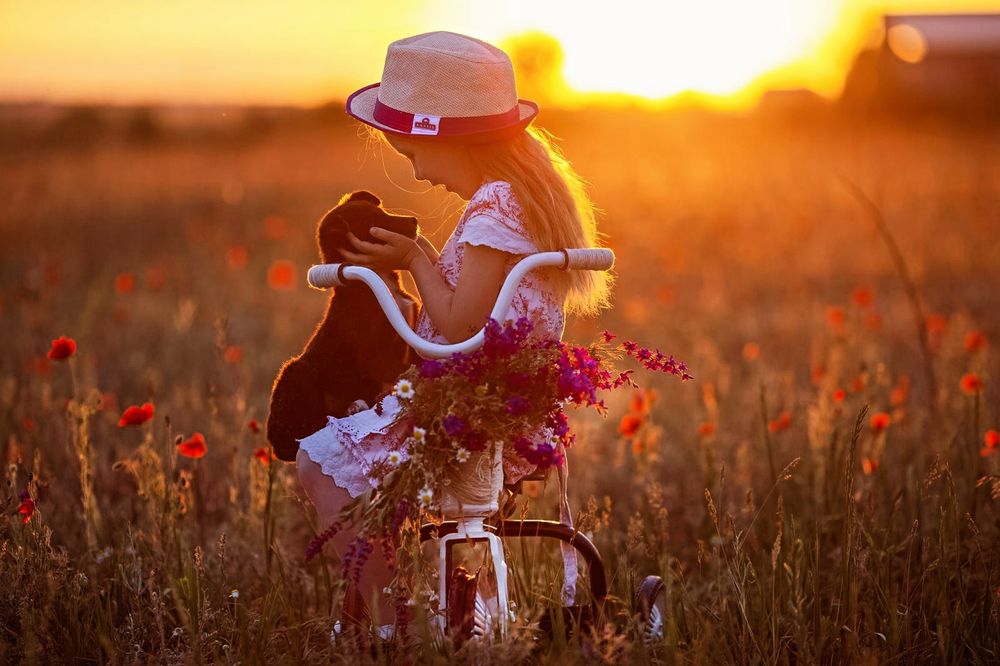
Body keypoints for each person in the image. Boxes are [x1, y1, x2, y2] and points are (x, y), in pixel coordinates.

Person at [295, 30, 611, 631]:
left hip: (471, 407)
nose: (417, 175)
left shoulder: (496, 205)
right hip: (497, 403)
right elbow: (481, 305)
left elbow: (462, 323)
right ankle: (412, 607)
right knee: (351, 453)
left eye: (413, 155)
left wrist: (416, 259)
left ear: (447, 138)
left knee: (320, 462)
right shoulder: (515, 199)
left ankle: (389, 622)